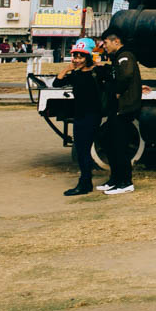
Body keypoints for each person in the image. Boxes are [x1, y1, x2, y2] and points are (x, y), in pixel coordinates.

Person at [52, 38, 105, 196]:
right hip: (79, 116)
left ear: (88, 57)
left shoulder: (98, 72)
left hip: (92, 116)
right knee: (81, 150)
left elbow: (115, 82)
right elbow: (57, 83)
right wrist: (67, 68)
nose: (76, 60)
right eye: (75, 56)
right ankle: (85, 182)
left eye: (80, 56)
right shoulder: (75, 75)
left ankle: (85, 183)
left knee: (83, 150)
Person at [95, 29, 142, 196]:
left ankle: (125, 182)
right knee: (109, 142)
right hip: (118, 108)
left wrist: (117, 91)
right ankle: (115, 179)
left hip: (125, 108)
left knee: (119, 145)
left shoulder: (125, 56)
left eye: (105, 42)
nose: (104, 46)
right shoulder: (117, 58)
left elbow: (126, 76)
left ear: (116, 41)